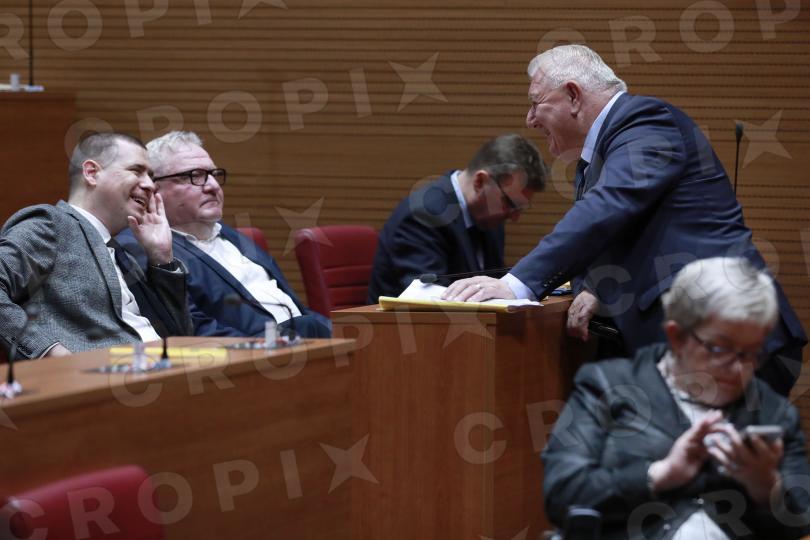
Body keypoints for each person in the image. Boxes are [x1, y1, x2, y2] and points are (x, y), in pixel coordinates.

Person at [443, 44, 805, 395]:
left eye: (536, 103)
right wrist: (595, 288)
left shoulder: (647, 123)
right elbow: (620, 232)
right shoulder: (600, 156)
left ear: (573, 95)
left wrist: (518, 285)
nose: (530, 119)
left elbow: (607, 208)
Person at [542, 257, 810, 539]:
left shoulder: (773, 412)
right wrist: (660, 474)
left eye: (752, 352)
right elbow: (561, 496)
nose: (739, 368)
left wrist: (767, 486)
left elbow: (801, 520)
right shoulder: (606, 385)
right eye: (721, 349)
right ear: (677, 336)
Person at [118, 131, 330, 338]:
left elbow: (296, 308)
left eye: (214, 174)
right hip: (256, 354)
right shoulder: (144, 248)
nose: (213, 186)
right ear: (154, 189)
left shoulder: (234, 236)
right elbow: (192, 330)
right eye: (194, 176)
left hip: (310, 342)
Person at [0, 133, 192, 359]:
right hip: (103, 373)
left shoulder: (127, 254)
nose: (150, 185)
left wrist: (162, 258)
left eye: (150, 176)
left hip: (171, 367)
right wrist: (50, 352)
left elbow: (181, 334)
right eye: (136, 171)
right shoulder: (51, 223)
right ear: (92, 173)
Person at [367, 133, 547, 302]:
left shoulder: (489, 217)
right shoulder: (424, 216)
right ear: (480, 182)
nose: (514, 217)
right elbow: (429, 298)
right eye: (510, 203)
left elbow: (493, 286)